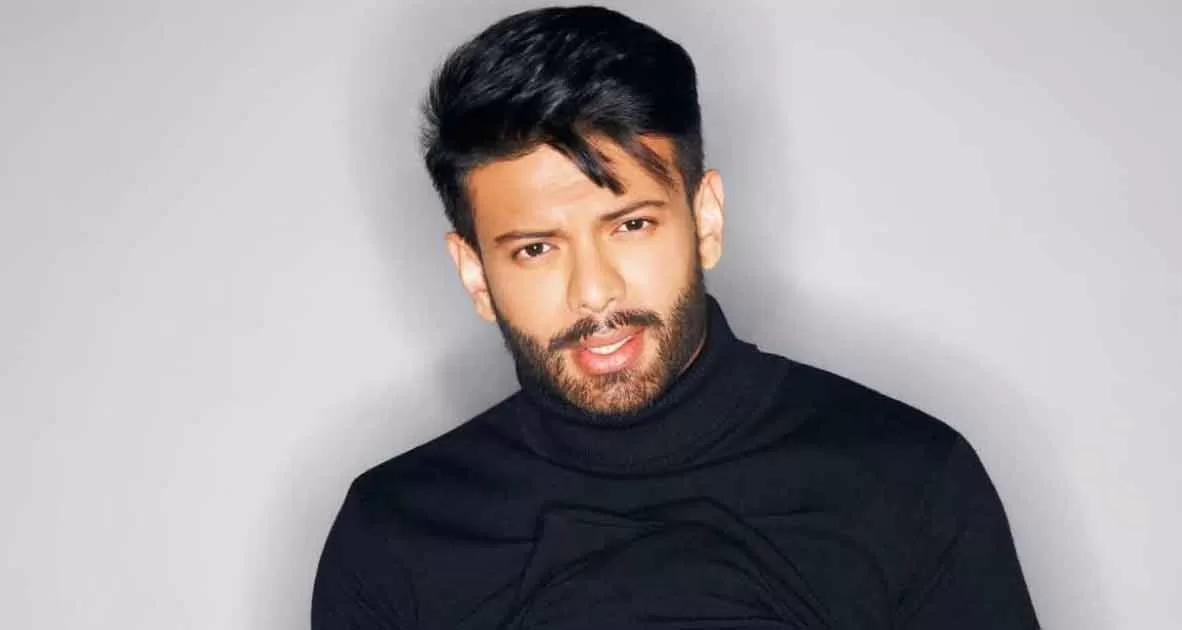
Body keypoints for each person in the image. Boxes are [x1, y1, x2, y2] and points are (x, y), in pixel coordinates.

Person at [312, 6, 1041, 629]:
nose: (594, 293)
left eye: (631, 225)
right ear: (476, 273)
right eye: (536, 248)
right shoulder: (393, 535)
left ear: (706, 220)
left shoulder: (909, 481)